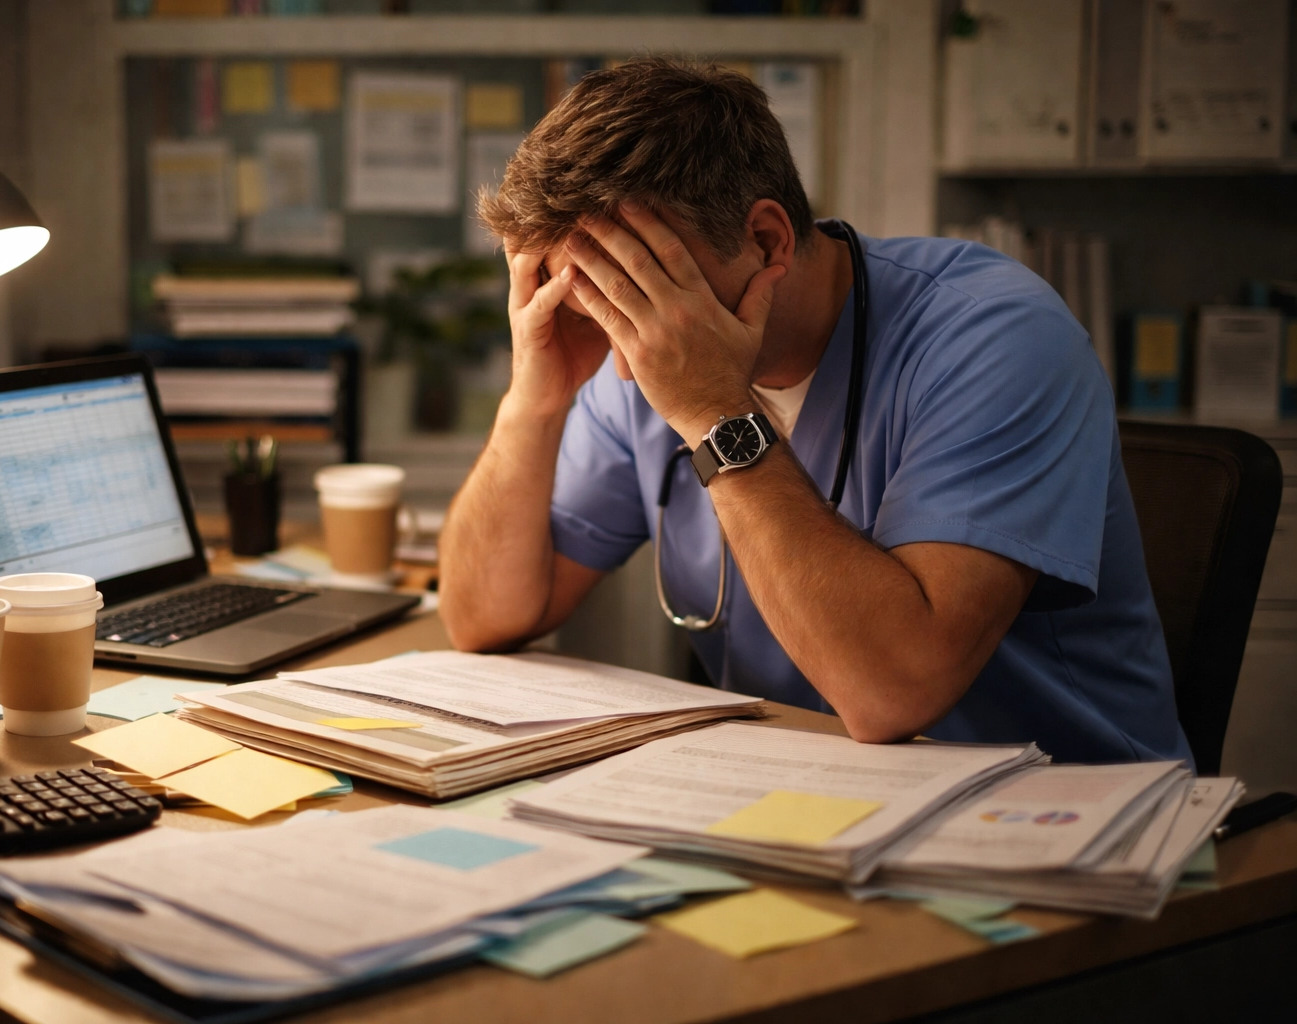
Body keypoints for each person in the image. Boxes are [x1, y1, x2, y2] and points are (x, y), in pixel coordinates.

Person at [437, 58, 1191, 766]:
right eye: (586, 296)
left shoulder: (997, 336)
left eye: (643, 286)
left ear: (766, 241)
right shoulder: (619, 357)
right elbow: (483, 617)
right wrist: (533, 398)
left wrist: (714, 412)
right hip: (806, 799)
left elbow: (892, 695)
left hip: (1057, 823)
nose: (623, 354)